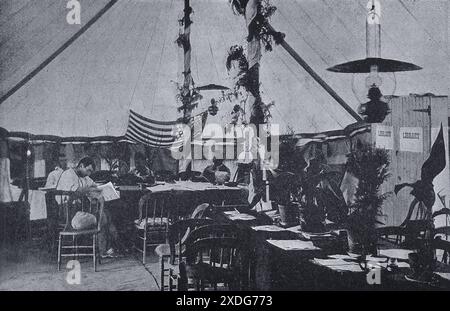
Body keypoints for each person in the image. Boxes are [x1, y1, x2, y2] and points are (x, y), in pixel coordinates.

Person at [56, 157, 119, 258]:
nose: (89, 173)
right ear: (81, 166)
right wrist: (90, 190)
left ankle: (107, 247)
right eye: (88, 170)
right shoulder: (68, 174)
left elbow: (94, 185)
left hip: (79, 210)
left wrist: (101, 188)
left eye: (91, 171)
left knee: (105, 213)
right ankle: (106, 248)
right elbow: (77, 191)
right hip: (67, 211)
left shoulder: (84, 176)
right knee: (102, 216)